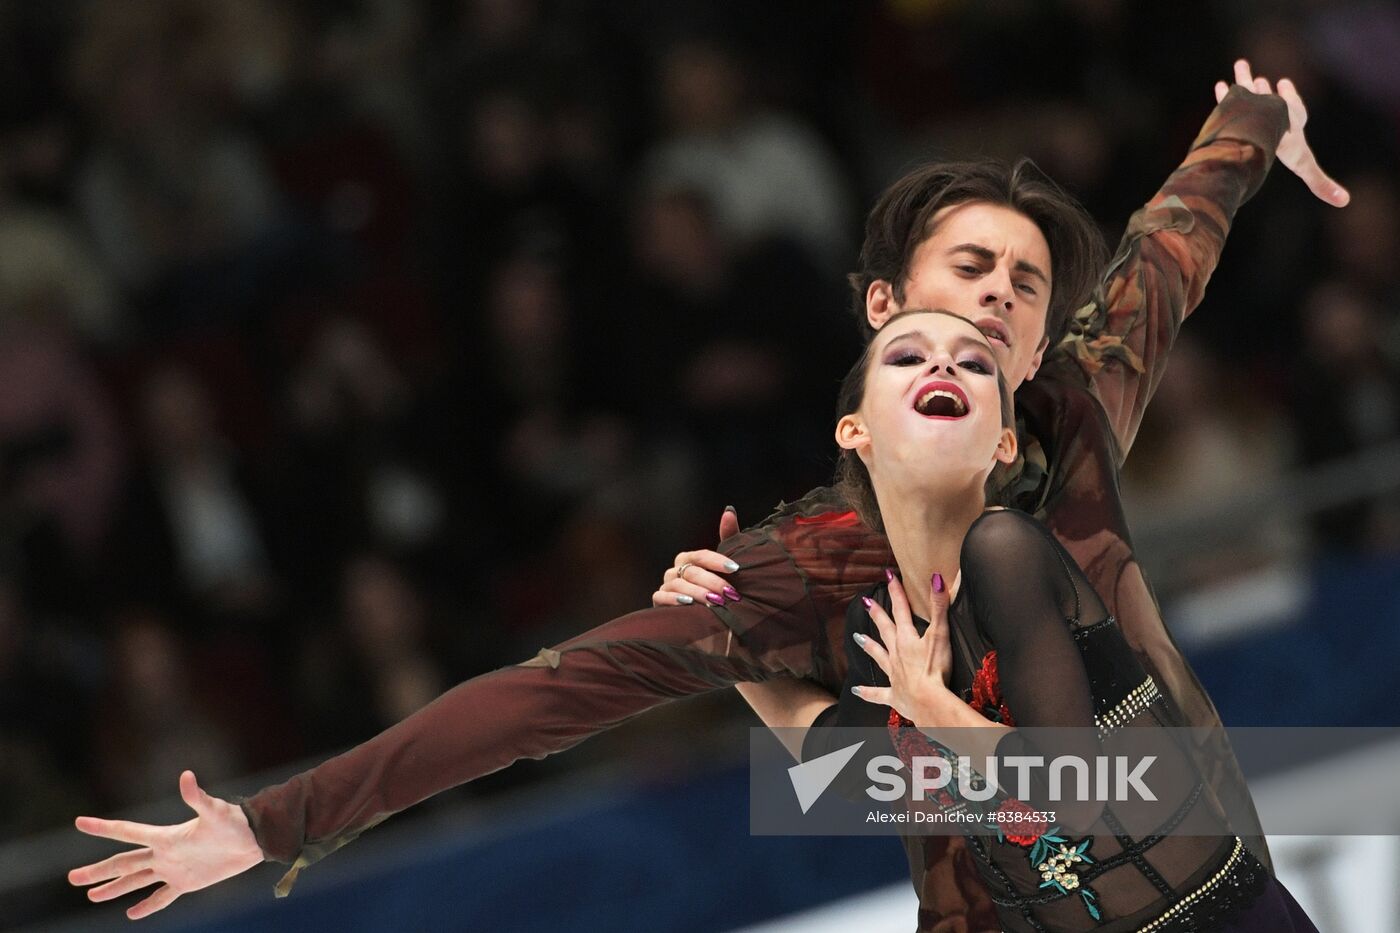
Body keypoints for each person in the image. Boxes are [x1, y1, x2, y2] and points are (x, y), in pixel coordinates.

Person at [66, 62, 1345, 924]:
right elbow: (535, 700)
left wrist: (1248, 130)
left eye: (1023, 286)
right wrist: (275, 819)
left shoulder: (1066, 416)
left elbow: (1159, 258)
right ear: (878, 319)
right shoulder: (797, 567)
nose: (1005, 302)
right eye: (970, 274)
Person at [810, 307, 1316, 931]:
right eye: (907, 357)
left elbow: (1070, 794)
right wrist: (722, 629)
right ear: (854, 430)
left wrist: (931, 707)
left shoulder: (1005, 549)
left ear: (1003, 443)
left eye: (973, 363)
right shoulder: (887, 624)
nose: (942, 363)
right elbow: (836, 770)